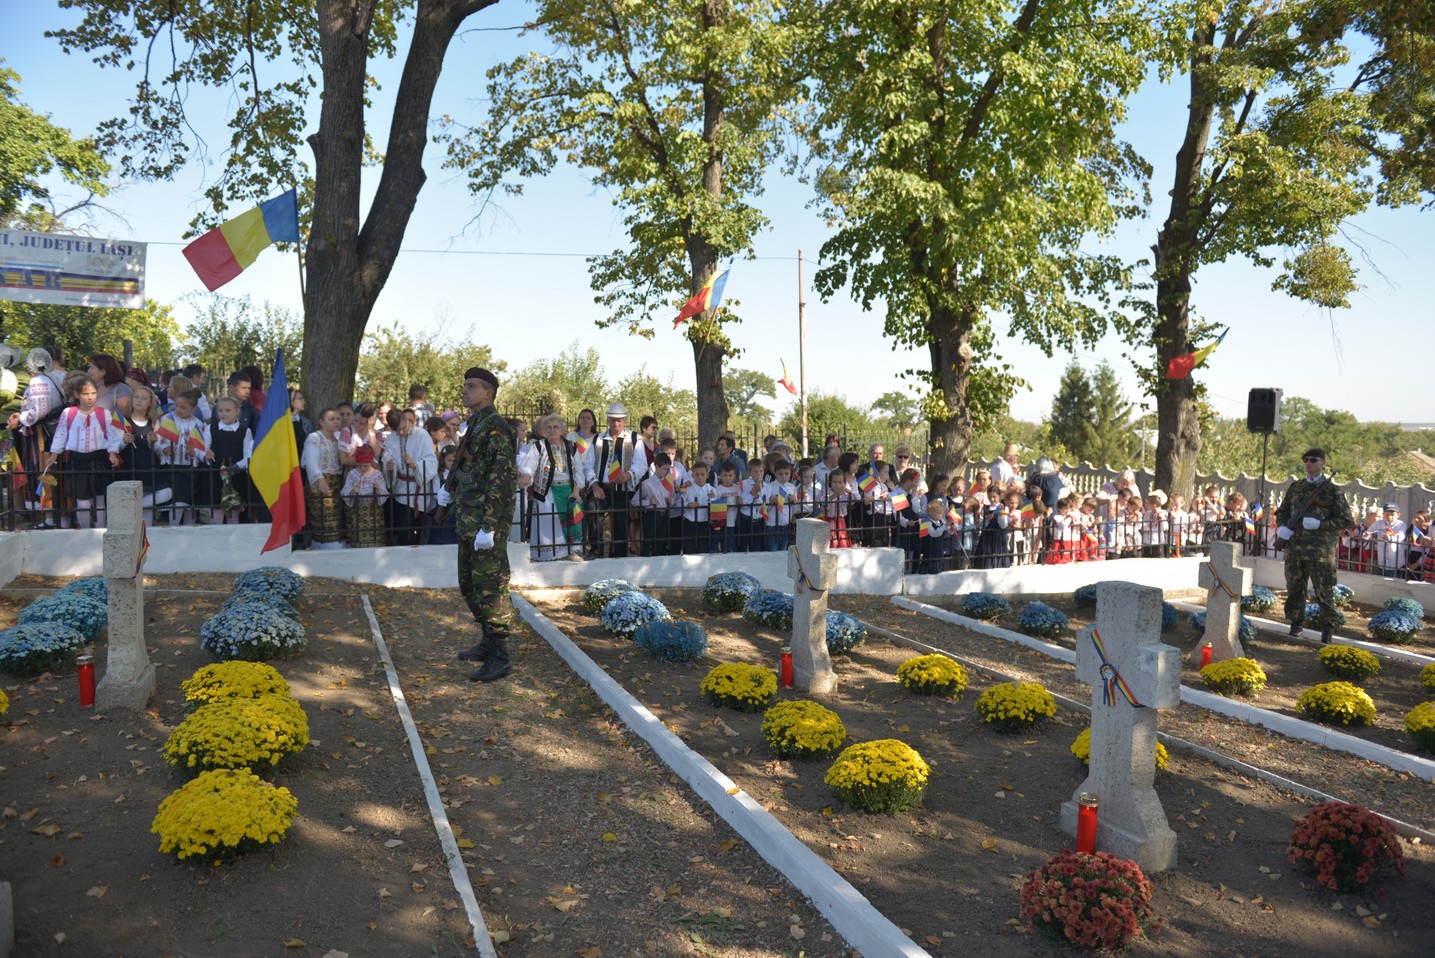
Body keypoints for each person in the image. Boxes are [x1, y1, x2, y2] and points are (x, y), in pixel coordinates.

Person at [440, 367, 517, 683]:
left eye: (471, 386)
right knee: (468, 584)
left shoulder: (496, 428)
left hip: (485, 523)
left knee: (490, 587)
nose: (464, 390)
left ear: (488, 392)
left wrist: (489, 527)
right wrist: (449, 490)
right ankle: (488, 640)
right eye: (464, 385)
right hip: (468, 519)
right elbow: (466, 465)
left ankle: (500, 655)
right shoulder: (477, 425)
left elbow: (501, 480)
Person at [1274, 448, 1354, 643]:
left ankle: (1327, 630)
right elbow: (1282, 511)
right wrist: (1283, 527)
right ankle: (1295, 625)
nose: (1308, 463)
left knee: (1324, 593)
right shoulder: (1296, 487)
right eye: (1306, 460)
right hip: (1295, 550)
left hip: (1321, 553)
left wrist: (1321, 525)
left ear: (1323, 463)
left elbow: (1346, 520)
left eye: (1313, 460)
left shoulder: (1332, 491)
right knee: (1295, 589)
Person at [46, 373, 123, 528]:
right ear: (77, 395)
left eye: (93, 393)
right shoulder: (69, 414)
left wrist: (113, 452)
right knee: (82, 502)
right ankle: (85, 531)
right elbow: (61, 434)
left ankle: (101, 529)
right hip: (77, 460)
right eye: (86, 394)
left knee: (100, 500)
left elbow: (113, 436)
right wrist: (54, 454)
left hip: (98, 459)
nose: (90, 397)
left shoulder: (104, 414)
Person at [517, 413, 591, 561]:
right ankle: (551, 553)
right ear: (543, 431)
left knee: (572, 521)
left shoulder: (571, 446)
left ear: (562, 430)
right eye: (549, 427)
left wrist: (577, 489)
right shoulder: (539, 446)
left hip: (569, 490)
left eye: (556, 427)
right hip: (548, 491)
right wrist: (526, 475)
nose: (553, 430)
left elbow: (579, 470)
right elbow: (530, 465)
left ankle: (572, 552)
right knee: (551, 521)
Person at [7, 349, 65, 524]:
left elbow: (38, 412)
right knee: (53, 471)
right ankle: (58, 516)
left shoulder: (39, 381)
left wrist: (21, 418)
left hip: (43, 434)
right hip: (53, 430)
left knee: (44, 469)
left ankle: (50, 517)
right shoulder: (55, 377)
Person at [589, 404, 647, 558]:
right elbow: (587, 465)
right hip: (601, 486)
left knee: (621, 519)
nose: (616, 424)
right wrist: (594, 485)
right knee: (593, 509)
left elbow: (641, 464)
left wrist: (628, 475)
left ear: (625, 420)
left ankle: (618, 554)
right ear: (608, 419)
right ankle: (596, 549)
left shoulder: (635, 439)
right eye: (613, 420)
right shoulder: (597, 439)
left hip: (623, 487)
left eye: (619, 420)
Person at [382, 406, 439, 546]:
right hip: (400, 489)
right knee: (400, 530)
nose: (400, 433)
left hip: (418, 489)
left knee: (412, 530)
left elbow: (431, 461)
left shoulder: (422, 435)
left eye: (403, 428)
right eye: (397, 431)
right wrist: (390, 466)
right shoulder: (391, 439)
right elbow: (388, 457)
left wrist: (415, 465)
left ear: (407, 421)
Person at [301, 407, 346, 548]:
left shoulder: (339, 438)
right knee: (323, 519)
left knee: (338, 518)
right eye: (332, 419)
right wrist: (320, 479)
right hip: (320, 482)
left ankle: (339, 547)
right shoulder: (315, 438)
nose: (336, 421)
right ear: (321, 422)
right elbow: (311, 461)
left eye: (338, 419)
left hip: (337, 483)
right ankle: (322, 549)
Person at [340, 444, 388, 548]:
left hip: (374, 513)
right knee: (358, 539)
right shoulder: (353, 474)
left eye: (365, 465)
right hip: (358, 513)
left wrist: (378, 490)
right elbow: (345, 492)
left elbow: (384, 494)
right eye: (359, 465)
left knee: (375, 539)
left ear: (370, 462)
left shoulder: (377, 475)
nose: (362, 468)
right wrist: (353, 491)